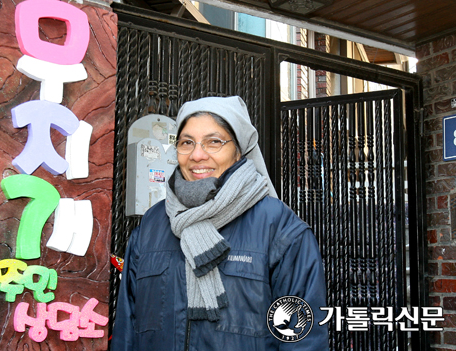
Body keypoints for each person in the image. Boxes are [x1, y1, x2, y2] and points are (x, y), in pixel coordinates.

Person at [111, 96, 328, 350]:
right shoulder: (153, 225)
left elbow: (301, 338)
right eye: (186, 142)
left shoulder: (279, 228)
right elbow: (127, 330)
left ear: (239, 151)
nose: (197, 155)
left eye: (214, 142)